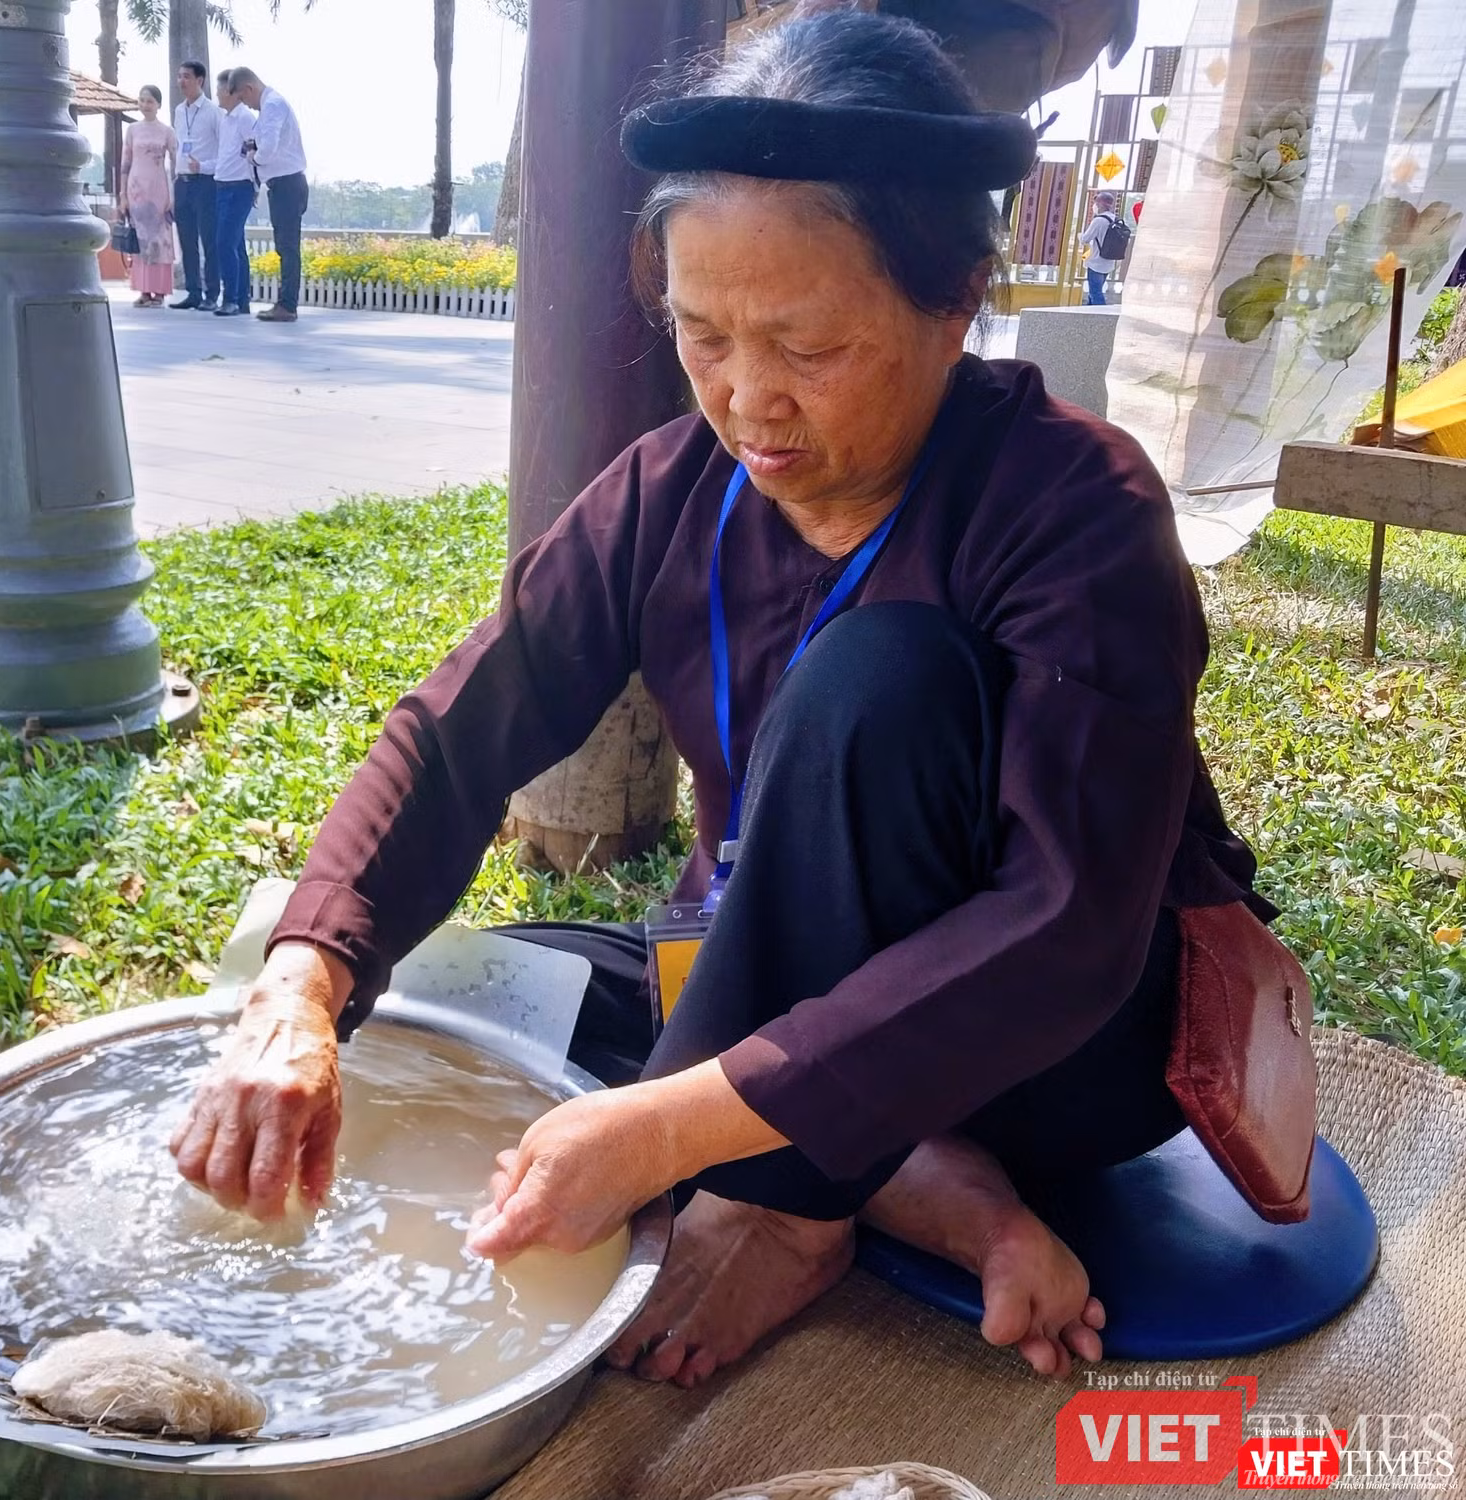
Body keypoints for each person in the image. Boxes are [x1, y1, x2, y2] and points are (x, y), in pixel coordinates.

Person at [171, 10, 1271, 1391]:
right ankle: (924, 1181)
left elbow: (1064, 930)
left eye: (807, 348)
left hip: (1060, 1040)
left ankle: (792, 1201)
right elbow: (462, 733)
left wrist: (675, 1138)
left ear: (958, 301)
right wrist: (304, 978)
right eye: (703, 335)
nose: (750, 400)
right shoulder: (668, 487)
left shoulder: (1076, 509)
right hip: (760, 962)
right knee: (481, 995)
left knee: (878, 684)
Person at [228, 68, 306, 322]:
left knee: (287, 246)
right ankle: (286, 303)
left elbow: (269, 149)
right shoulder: (269, 107)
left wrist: (254, 157)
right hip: (282, 184)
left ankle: (288, 305)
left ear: (249, 89)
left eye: (242, 98)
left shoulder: (272, 105)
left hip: (287, 184)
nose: (246, 105)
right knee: (285, 245)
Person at [119, 85, 177, 307]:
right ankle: (144, 290)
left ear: (158, 104)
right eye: (142, 100)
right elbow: (125, 162)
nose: (145, 105)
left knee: (160, 239)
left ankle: (160, 291)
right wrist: (123, 195)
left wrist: (173, 195)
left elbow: (175, 163)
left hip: (159, 188)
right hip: (136, 188)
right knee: (141, 238)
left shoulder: (167, 131)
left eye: (150, 101)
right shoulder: (132, 130)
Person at [169, 60, 221, 311]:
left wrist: (204, 166)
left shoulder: (213, 112)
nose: (181, 81)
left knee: (209, 240)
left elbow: (226, 152)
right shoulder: (180, 111)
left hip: (205, 182)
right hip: (183, 182)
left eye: (186, 77)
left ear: (200, 80)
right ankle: (193, 292)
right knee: (186, 240)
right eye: (179, 76)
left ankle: (212, 293)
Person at [211, 69, 258, 317]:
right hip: (222, 185)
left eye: (219, 90)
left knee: (224, 242)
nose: (217, 95)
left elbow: (253, 151)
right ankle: (241, 301)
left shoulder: (245, 118)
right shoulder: (225, 118)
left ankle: (230, 299)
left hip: (240, 186)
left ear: (231, 92)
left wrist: (255, 186)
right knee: (236, 245)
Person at [1077, 190, 1126, 305]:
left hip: (1096, 262)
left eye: (1096, 203)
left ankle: (1101, 316)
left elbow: (1085, 239)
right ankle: (1090, 316)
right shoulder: (1116, 219)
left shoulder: (1098, 221)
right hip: (1109, 262)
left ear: (1099, 204)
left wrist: (1080, 235)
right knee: (1095, 292)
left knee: (1095, 293)